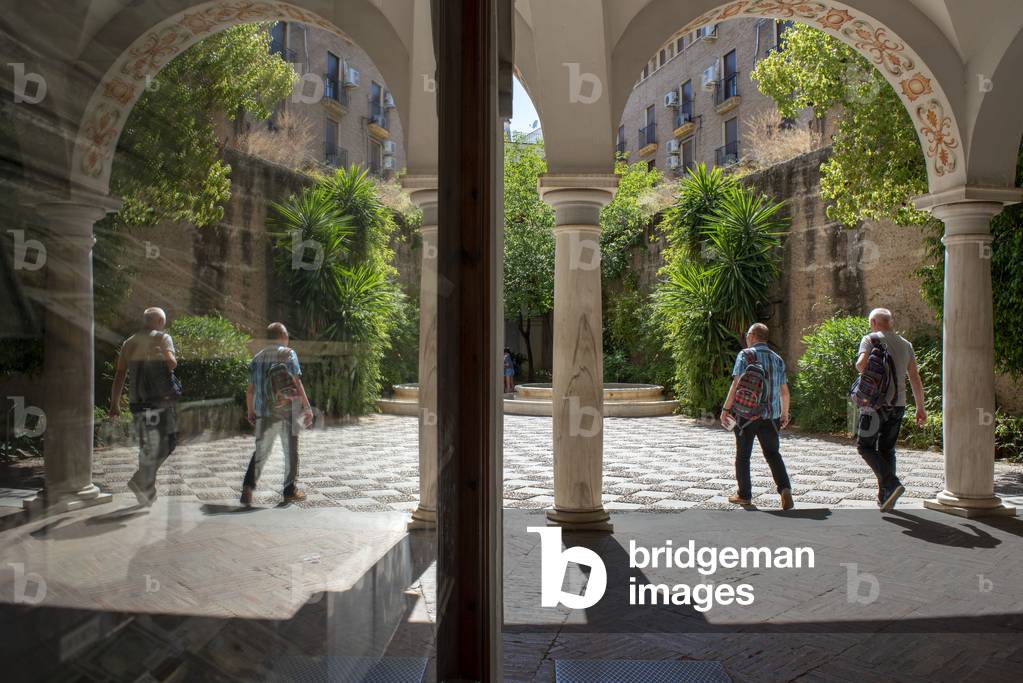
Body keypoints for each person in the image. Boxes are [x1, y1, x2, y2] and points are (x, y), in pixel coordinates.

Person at [854, 308, 927, 511]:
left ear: (875, 322)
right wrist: (920, 407)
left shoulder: (871, 339)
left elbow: (861, 365)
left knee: (865, 446)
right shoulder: (906, 345)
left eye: (871, 323)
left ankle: (891, 483)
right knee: (887, 450)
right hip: (899, 405)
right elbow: (914, 377)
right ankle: (886, 497)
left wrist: (867, 376)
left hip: (874, 405)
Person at [720, 323, 794, 510]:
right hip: (772, 416)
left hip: (747, 415)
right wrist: (784, 413)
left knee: (743, 456)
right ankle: (785, 489)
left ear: (752, 335)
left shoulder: (745, 355)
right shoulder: (777, 359)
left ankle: (744, 495)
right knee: (772, 454)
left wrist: (726, 409)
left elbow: (736, 384)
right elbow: (784, 391)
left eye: (747, 334)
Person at [110, 307, 179, 507]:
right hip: (159, 402)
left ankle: (146, 492)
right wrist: (164, 352)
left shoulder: (129, 343)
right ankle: (141, 480)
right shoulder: (162, 338)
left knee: (146, 446)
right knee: (169, 442)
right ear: (159, 322)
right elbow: (172, 364)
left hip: (137, 403)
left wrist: (114, 403)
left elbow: (120, 374)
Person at [240, 322, 313, 506]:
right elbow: (296, 382)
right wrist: (307, 406)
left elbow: (250, 390)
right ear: (282, 335)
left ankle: (248, 488)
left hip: (264, 412)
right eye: (287, 335)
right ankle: (289, 491)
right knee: (291, 452)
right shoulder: (289, 354)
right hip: (287, 411)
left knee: (262, 450)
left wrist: (250, 411)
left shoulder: (257, 358)